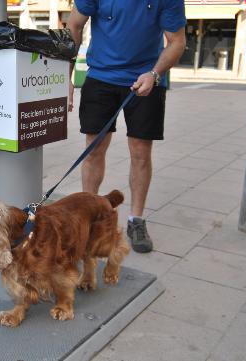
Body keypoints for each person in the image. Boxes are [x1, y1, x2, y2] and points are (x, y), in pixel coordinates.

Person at [67, 1, 186, 253]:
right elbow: (75, 25)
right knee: (94, 149)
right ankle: (89, 216)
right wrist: (64, 76)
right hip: (100, 77)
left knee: (141, 153)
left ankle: (136, 220)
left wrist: (154, 74)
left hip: (146, 78)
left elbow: (177, 41)